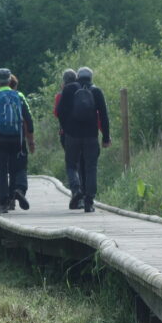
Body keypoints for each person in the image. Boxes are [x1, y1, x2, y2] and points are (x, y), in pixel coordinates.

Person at [55, 66, 111, 213]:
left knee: (71, 165)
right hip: (91, 136)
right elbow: (104, 116)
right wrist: (106, 137)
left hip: (72, 135)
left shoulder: (69, 89)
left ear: (78, 76)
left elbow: (60, 112)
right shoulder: (96, 91)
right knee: (91, 167)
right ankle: (89, 202)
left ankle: (76, 189)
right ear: (91, 77)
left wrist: (67, 129)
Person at [0, 68, 35, 214]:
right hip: (18, 140)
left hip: (0, 141)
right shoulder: (20, 96)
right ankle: (18, 190)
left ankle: (4, 203)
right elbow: (29, 121)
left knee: (2, 171)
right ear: (10, 79)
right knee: (19, 168)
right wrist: (31, 142)